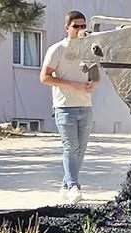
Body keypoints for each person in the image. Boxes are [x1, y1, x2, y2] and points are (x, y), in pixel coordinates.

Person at [39, 11, 100, 192]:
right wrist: (72, 85)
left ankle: (66, 185)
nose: (80, 30)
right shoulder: (57, 49)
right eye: (76, 26)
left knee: (80, 150)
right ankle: (73, 186)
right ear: (67, 28)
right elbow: (44, 77)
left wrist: (93, 84)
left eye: (83, 26)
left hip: (86, 107)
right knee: (70, 148)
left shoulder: (90, 49)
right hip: (65, 107)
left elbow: (96, 76)